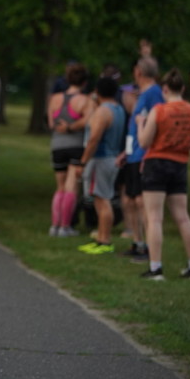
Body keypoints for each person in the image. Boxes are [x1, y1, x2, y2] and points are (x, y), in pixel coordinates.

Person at [135, 69, 190, 280]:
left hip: (156, 163)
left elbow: (144, 142)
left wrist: (140, 124)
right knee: (183, 216)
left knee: (154, 217)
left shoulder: (159, 110)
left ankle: (156, 268)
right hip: (180, 164)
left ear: (165, 89)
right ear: (183, 88)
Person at [118, 57, 163, 261]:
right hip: (133, 153)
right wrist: (126, 152)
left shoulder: (154, 93)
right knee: (130, 199)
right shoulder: (143, 94)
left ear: (138, 72)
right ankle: (137, 242)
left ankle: (148, 246)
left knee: (140, 201)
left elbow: (158, 124)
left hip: (143, 154)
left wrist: (149, 153)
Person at [75, 77, 125, 255]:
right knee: (103, 198)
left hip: (100, 159)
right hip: (112, 157)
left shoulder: (103, 111)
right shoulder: (119, 109)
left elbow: (94, 139)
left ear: (98, 91)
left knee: (102, 201)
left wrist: (83, 162)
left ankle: (104, 240)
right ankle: (101, 238)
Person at [47, 63, 93, 237]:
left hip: (57, 145)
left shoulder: (55, 98)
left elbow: (51, 123)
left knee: (59, 187)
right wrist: (71, 127)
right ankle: (65, 226)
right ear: (84, 82)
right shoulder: (85, 100)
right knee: (71, 186)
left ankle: (54, 225)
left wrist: (62, 127)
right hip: (76, 145)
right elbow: (88, 121)